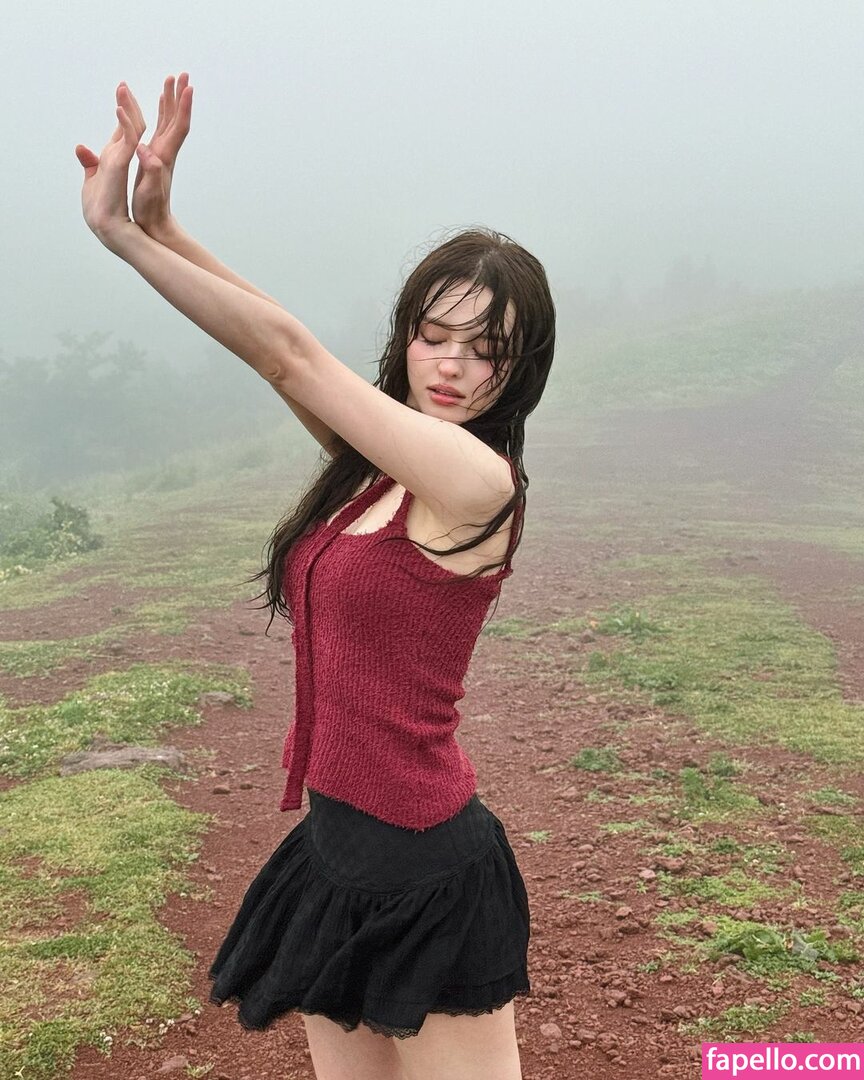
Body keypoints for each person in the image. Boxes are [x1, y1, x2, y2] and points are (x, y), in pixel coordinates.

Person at [76, 73, 555, 1080]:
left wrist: (120, 239)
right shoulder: (376, 466)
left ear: (520, 369)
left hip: (428, 873)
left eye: (486, 350)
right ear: (406, 334)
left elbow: (292, 356)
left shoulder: (476, 482)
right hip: (335, 854)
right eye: (434, 335)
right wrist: (164, 224)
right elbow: (278, 348)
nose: (452, 366)